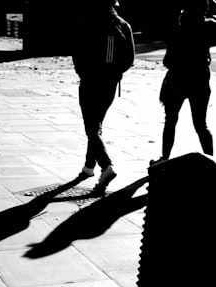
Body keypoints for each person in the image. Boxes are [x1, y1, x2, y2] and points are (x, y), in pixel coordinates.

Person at [72, 0, 134, 192]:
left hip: (90, 81)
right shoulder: (124, 25)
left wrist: (83, 72)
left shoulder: (87, 22)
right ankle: (89, 167)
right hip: (110, 83)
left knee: (91, 127)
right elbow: (129, 59)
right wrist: (115, 74)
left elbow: (78, 52)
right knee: (96, 123)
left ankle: (106, 166)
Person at [154, 0, 216, 164]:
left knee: (170, 121)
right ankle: (211, 161)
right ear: (203, 11)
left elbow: (167, 61)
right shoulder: (208, 27)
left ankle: (164, 158)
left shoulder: (178, 30)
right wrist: (210, 2)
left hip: (177, 81)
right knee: (201, 125)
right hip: (200, 80)